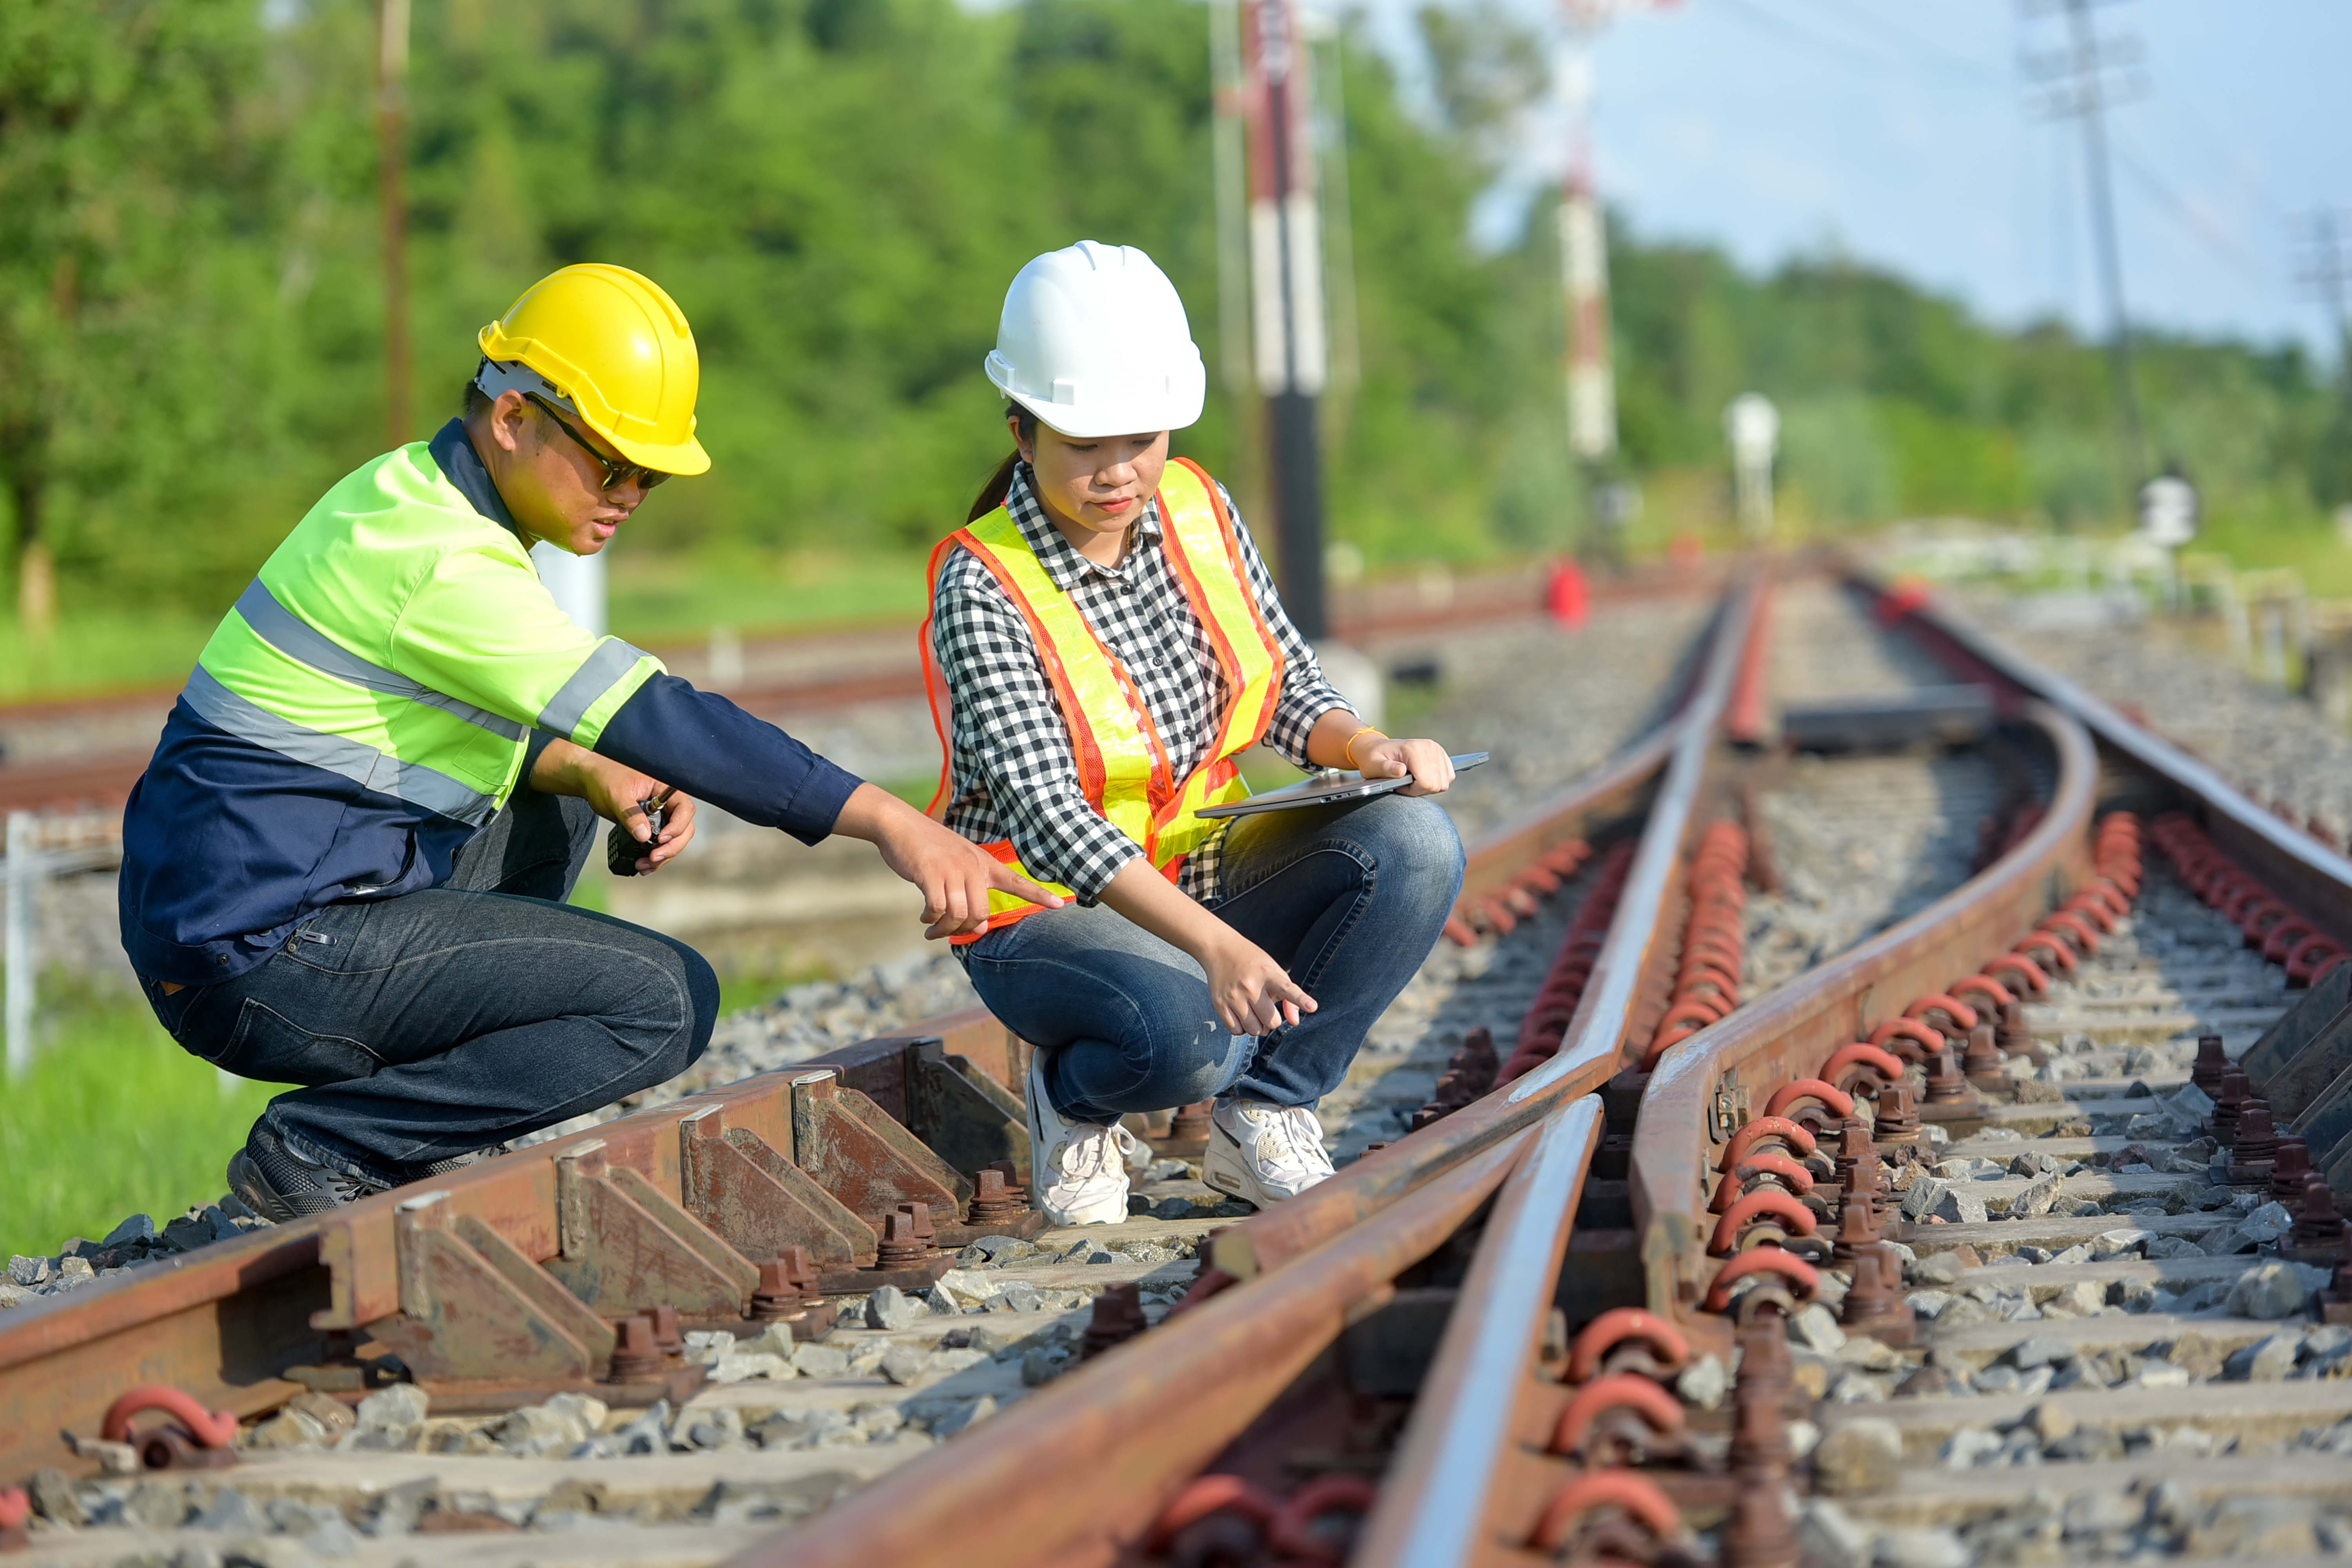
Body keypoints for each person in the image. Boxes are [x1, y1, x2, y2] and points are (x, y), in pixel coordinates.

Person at [119, 263, 1058, 1221]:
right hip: (257, 952)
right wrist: (899, 827)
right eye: (611, 464)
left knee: (568, 791)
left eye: (649, 477)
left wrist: (591, 773)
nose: (630, 494)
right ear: (515, 417)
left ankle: (429, 1104)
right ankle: (328, 1143)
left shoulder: (410, 490)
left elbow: (415, 732)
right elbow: (665, 715)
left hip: (242, 903)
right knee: (665, 999)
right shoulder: (445, 561)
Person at [924, 241, 1466, 1224]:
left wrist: (1368, 749)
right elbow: (1051, 822)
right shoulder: (983, 583)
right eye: (1085, 446)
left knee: (1416, 846)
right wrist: (1219, 949)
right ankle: (1072, 1097)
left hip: (1199, 868)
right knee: (1190, 1036)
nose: (1119, 472)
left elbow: (1287, 683)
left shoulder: (1199, 508)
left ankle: (1265, 1116)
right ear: (1021, 427)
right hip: (1040, 911)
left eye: (1141, 439)